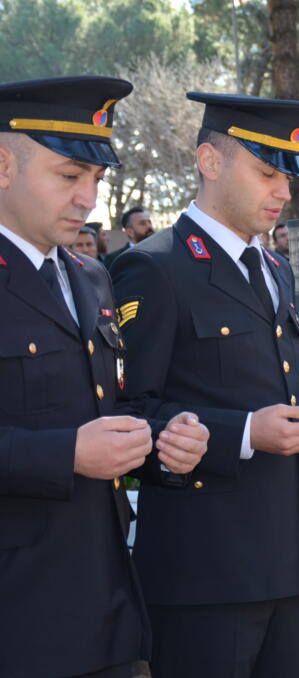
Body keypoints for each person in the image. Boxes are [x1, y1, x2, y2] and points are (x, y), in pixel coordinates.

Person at [111, 92, 299, 678]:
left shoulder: (273, 267)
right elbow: (128, 413)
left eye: (288, 176)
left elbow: (282, 392)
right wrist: (247, 433)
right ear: (209, 161)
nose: (283, 191)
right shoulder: (155, 266)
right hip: (203, 572)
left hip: (285, 562)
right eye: (265, 172)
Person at [0, 75, 209, 678]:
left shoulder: (91, 277)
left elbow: (105, 408)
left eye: (96, 178)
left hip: (107, 606)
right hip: (18, 618)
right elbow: (74, 442)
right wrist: (66, 453)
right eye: (69, 175)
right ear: (4, 166)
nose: (88, 199)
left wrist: (165, 441)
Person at [104, 205, 153, 270]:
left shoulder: (161, 252)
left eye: (149, 222)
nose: (149, 226)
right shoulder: (115, 259)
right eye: (142, 223)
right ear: (130, 232)